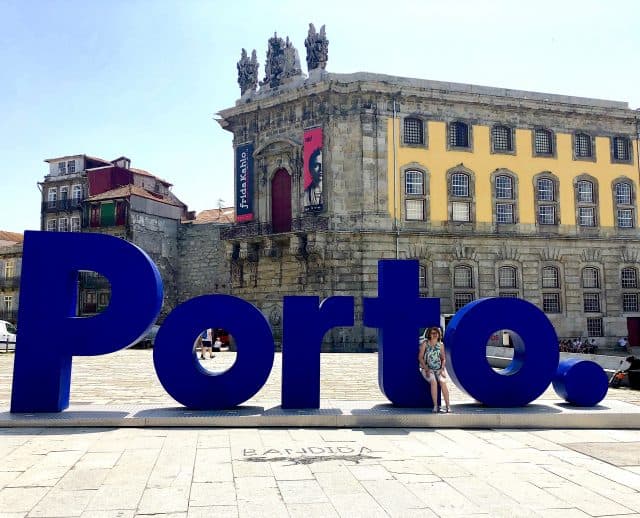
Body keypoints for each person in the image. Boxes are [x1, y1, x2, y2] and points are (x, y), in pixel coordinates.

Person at [418, 326, 451, 413]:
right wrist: (426, 369)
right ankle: (435, 406)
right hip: (427, 369)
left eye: (436, 333)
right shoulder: (425, 343)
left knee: (443, 382)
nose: (435, 335)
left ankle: (448, 406)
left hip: (439, 369)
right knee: (433, 382)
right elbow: (420, 357)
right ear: (429, 334)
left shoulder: (441, 345)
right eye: (433, 333)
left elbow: (443, 359)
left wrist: (442, 369)